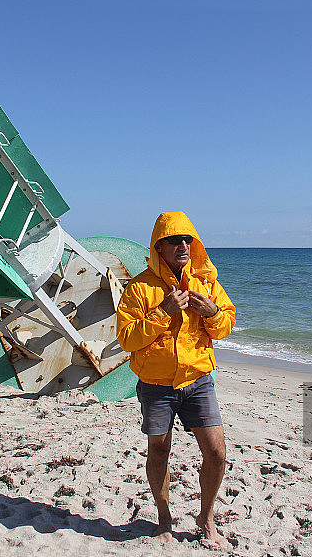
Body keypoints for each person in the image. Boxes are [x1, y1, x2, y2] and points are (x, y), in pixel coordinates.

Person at [116, 211, 236, 547]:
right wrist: (163, 311)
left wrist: (212, 313)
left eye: (188, 239)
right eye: (174, 240)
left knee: (216, 452)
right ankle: (164, 519)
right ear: (159, 246)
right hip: (156, 385)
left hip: (198, 380)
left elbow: (226, 324)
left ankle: (206, 518)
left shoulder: (206, 282)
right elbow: (127, 340)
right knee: (158, 450)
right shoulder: (139, 287)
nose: (183, 245)